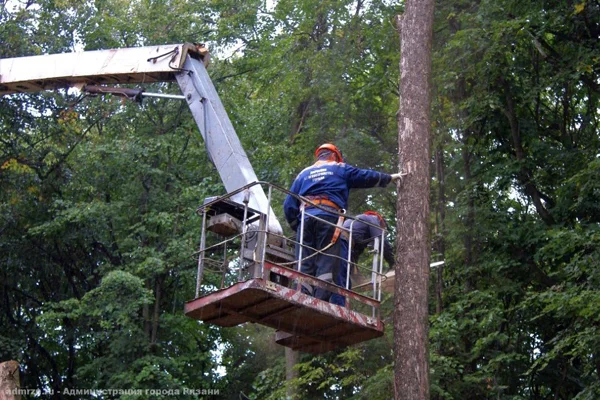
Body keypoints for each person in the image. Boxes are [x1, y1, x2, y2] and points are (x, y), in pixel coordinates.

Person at [283, 143, 401, 302]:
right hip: (328, 217)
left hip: (305, 218)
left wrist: (297, 226)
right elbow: (365, 176)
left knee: (305, 265)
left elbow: (288, 205)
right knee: (327, 265)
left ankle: (301, 299)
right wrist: (388, 178)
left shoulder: (303, 174)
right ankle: (319, 303)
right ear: (334, 156)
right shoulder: (339, 168)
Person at [330, 210, 395, 306]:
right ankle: (338, 305)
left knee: (343, 278)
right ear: (382, 222)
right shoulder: (373, 219)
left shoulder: (359, 229)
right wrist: (392, 263)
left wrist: (360, 280)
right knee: (341, 278)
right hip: (342, 241)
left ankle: (338, 303)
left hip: (340, 241)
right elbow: (381, 241)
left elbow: (353, 260)